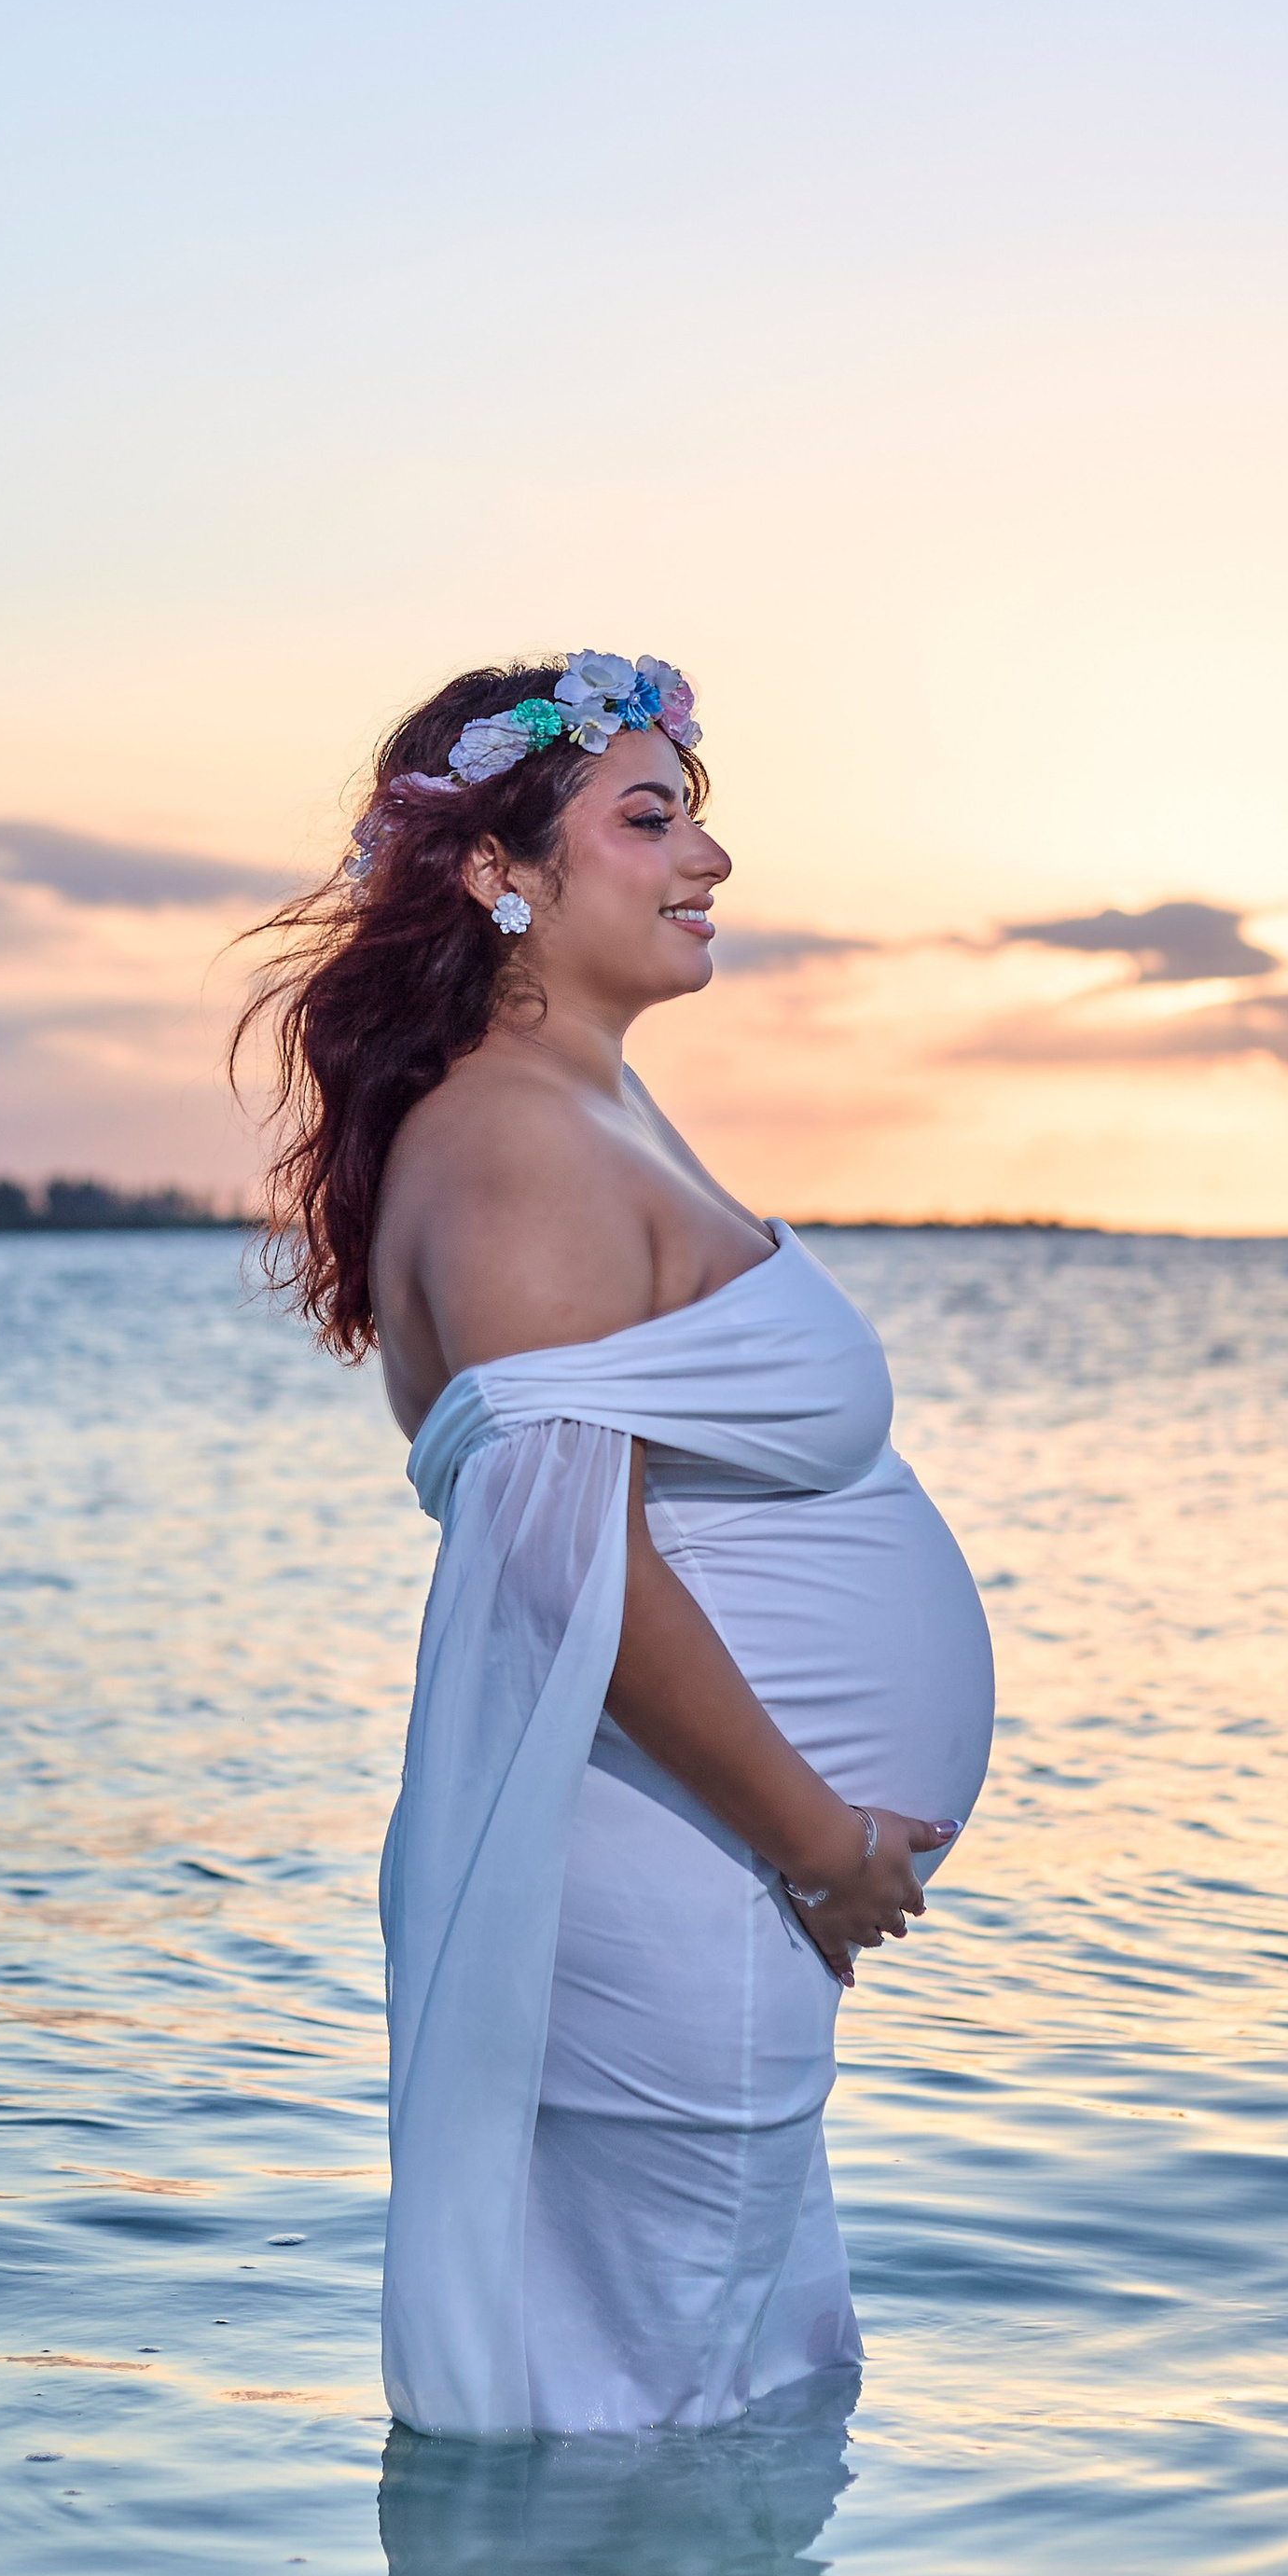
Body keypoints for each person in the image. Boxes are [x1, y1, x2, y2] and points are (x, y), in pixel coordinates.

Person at [238, 652, 994, 2437]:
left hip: (706, 1885)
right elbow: (563, 1558)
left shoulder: (582, 1106)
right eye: (650, 819)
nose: (708, 858)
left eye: (696, 817)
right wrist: (821, 1846)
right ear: (496, 871)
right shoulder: (518, 1142)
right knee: (656, 2428)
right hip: (689, 1888)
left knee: (710, 2415)